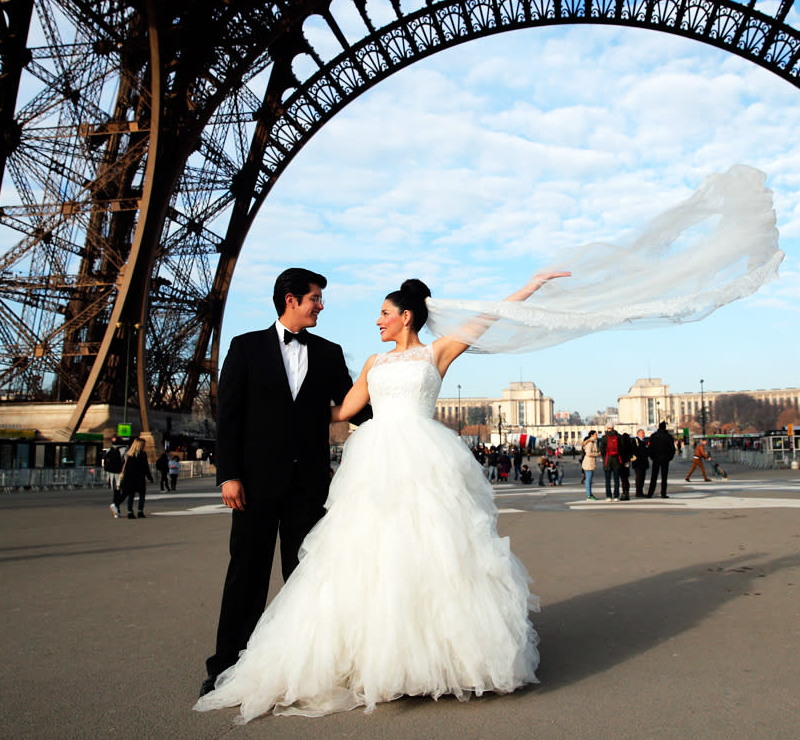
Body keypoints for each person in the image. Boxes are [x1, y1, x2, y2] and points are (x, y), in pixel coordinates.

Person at [194, 273, 563, 721]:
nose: (376, 320)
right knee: (337, 565)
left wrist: (533, 284)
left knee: (422, 559)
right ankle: (244, 661)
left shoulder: (432, 351)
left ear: (406, 316)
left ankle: (421, 658)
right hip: (342, 466)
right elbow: (334, 410)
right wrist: (242, 458)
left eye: (384, 313)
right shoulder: (364, 361)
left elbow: (489, 318)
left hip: (419, 462)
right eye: (316, 299)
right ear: (293, 300)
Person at [200, 267, 371, 699]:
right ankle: (226, 665)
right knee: (246, 575)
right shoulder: (245, 347)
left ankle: (304, 666)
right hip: (254, 484)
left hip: (308, 485)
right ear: (291, 299)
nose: (321, 305)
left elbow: (354, 407)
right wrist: (229, 475)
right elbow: (230, 417)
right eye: (315, 298)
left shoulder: (329, 352)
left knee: (305, 577)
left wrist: (400, 422)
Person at [114, 438, 154, 518]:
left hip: (130, 478)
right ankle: (140, 511)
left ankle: (130, 512)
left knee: (131, 495)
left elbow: (125, 468)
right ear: (140, 445)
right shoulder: (142, 454)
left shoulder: (129, 454)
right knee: (141, 495)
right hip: (140, 477)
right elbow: (145, 467)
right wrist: (149, 477)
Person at [647, 422, 676, 497]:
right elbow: (672, 448)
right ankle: (663, 493)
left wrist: (652, 457)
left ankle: (650, 493)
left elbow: (650, 448)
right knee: (664, 477)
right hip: (665, 459)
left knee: (654, 476)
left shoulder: (654, 436)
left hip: (656, 458)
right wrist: (670, 457)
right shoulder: (668, 437)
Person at [598, 425, 624, 501]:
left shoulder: (604, 437)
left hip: (607, 460)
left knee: (608, 480)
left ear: (607, 428)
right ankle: (616, 496)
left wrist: (604, 456)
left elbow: (602, 449)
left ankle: (608, 496)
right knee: (616, 479)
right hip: (616, 460)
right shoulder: (618, 436)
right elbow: (622, 448)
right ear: (613, 428)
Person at [580, 430, 600, 500]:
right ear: (591, 435)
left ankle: (590, 494)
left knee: (589, 479)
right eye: (595, 434)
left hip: (590, 463)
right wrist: (597, 454)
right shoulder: (590, 443)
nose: (597, 436)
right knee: (588, 480)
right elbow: (588, 453)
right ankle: (589, 495)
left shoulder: (593, 442)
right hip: (588, 463)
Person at [632, 428, 650, 498]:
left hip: (644, 463)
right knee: (639, 477)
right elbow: (634, 451)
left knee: (642, 477)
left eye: (644, 433)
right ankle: (638, 492)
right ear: (638, 434)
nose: (643, 434)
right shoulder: (635, 441)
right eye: (642, 433)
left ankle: (641, 491)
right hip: (638, 463)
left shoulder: (644, 441)